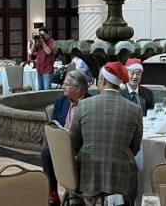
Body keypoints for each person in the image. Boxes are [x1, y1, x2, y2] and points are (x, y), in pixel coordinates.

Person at [70, 62, 142, 203]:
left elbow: (74, 142)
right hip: (122, 174)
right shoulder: (135, 109)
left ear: (102, 80)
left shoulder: (83, 104)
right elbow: (135, 147)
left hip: (88, 172)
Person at [42, 70, 90, 205]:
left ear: (78, 88)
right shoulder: (61, 100)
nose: (63, 87)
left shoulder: (90, 102)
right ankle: (52, 191)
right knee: (46, 151)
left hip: (81, 144)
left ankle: (78, 190)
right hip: (62, 143)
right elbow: (54, 123)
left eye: (67, 85)